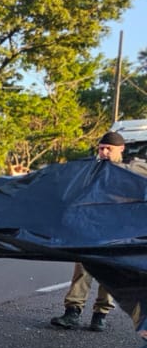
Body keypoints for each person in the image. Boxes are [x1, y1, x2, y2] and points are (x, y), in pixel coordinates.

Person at [50, 131, 147, 332]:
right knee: (83, 269)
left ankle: (100, 314)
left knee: (110, 272)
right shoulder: (91, 171)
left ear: (121, 149)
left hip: (120, 231)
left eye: (108, 149)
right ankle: (72, 311)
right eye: (101, 148)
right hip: (91, 227)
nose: (103, 152)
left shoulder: (134, 168)